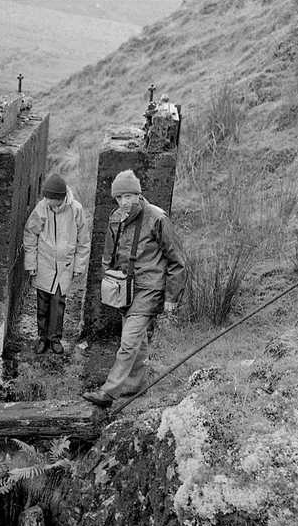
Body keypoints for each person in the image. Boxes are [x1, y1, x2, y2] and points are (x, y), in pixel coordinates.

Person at [82, 169, 185, 408]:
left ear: (138, 194)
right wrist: (109, 282)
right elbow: (109, 254)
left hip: (149, 289)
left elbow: (177, 260)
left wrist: (171, 296)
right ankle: (136, 384)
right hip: (124, 289)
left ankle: (109, 392)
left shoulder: (157, 218)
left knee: (128, 342)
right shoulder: (115, 218)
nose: (124, 202)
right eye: (120, 198)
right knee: (136, 339)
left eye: (129, 196)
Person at [22, 172, 90, 355]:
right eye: (46, 198)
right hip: (44, 263)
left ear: (60, 198)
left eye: (51, 198)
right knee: (42, 302)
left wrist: (79, 267)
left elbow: (84, 241)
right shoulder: (42, 208)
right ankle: (42, 338)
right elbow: (30, 234)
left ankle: (55, 338)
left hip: (65, 266)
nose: (48, 201)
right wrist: (31, 263)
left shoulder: (76, 210)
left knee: (58, 303)